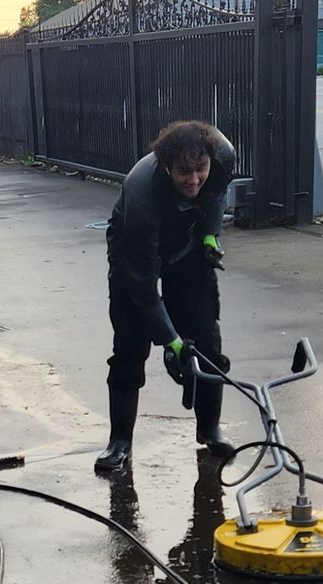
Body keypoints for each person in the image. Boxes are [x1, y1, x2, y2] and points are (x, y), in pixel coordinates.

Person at [94, 117, 237, 478]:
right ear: (167, 166)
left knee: (207, 340)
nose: (193, 180)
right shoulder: (143, 191)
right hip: (134, 251)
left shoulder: (221, 157)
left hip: (186, 246)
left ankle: (209, 427)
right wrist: (171, 341)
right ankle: (119, 442)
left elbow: (217, 193)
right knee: (130, 346)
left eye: (199, 170)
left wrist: (209, 235)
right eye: (183, 173)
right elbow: (143, 286)